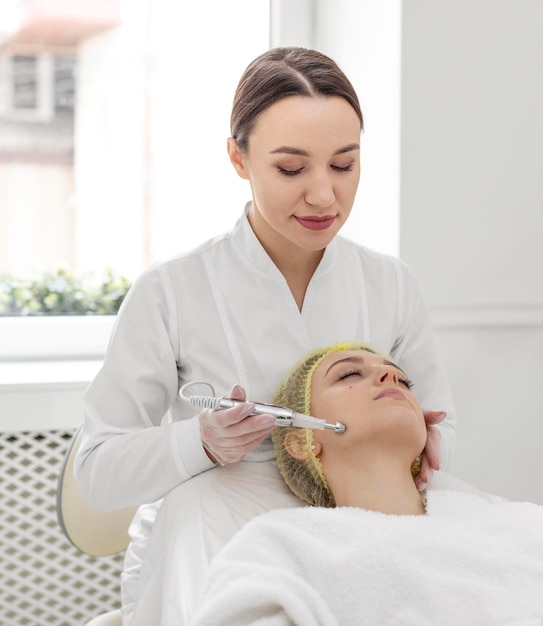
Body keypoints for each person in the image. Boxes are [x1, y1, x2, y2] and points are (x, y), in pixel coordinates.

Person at [74, 46, 456, 622]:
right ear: (238, 158)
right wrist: (199, 443)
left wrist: (415, 448)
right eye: (291, 168)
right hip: (214, 529)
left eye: (344, 165)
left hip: (364, 526)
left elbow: (440, 429)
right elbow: (97, 475)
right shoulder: (171, 291)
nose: (324, 195)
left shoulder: (389, 284)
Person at [188, 343, 543, 625]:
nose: (391, 377)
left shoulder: (522, 523)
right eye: (348, 374)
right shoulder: (284, 549)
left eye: (402, 378)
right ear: (302, 439)